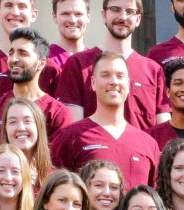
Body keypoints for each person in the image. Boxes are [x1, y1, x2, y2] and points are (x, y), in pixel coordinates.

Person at [54, 0, 168, 129]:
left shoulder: (153, 70)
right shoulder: (78, 64)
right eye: (115, 9)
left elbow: (163, 132)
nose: (122, 17)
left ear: (138, 19)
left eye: (130, 12)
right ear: (103, 15)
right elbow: (72, 130)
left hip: (143, 151)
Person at [52, 51, 163, 184]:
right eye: (105, 75)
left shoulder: (148, 144)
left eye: (120, 76)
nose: (114, 82)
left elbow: (154, 198)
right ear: (93, 83)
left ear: (128, 84)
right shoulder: (70, 137)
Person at [0, 28, 74, 147]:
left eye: (22, 53)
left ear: (41, 63)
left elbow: (53, 161)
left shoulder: (58, 112)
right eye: (11, 53)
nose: (14, 59)